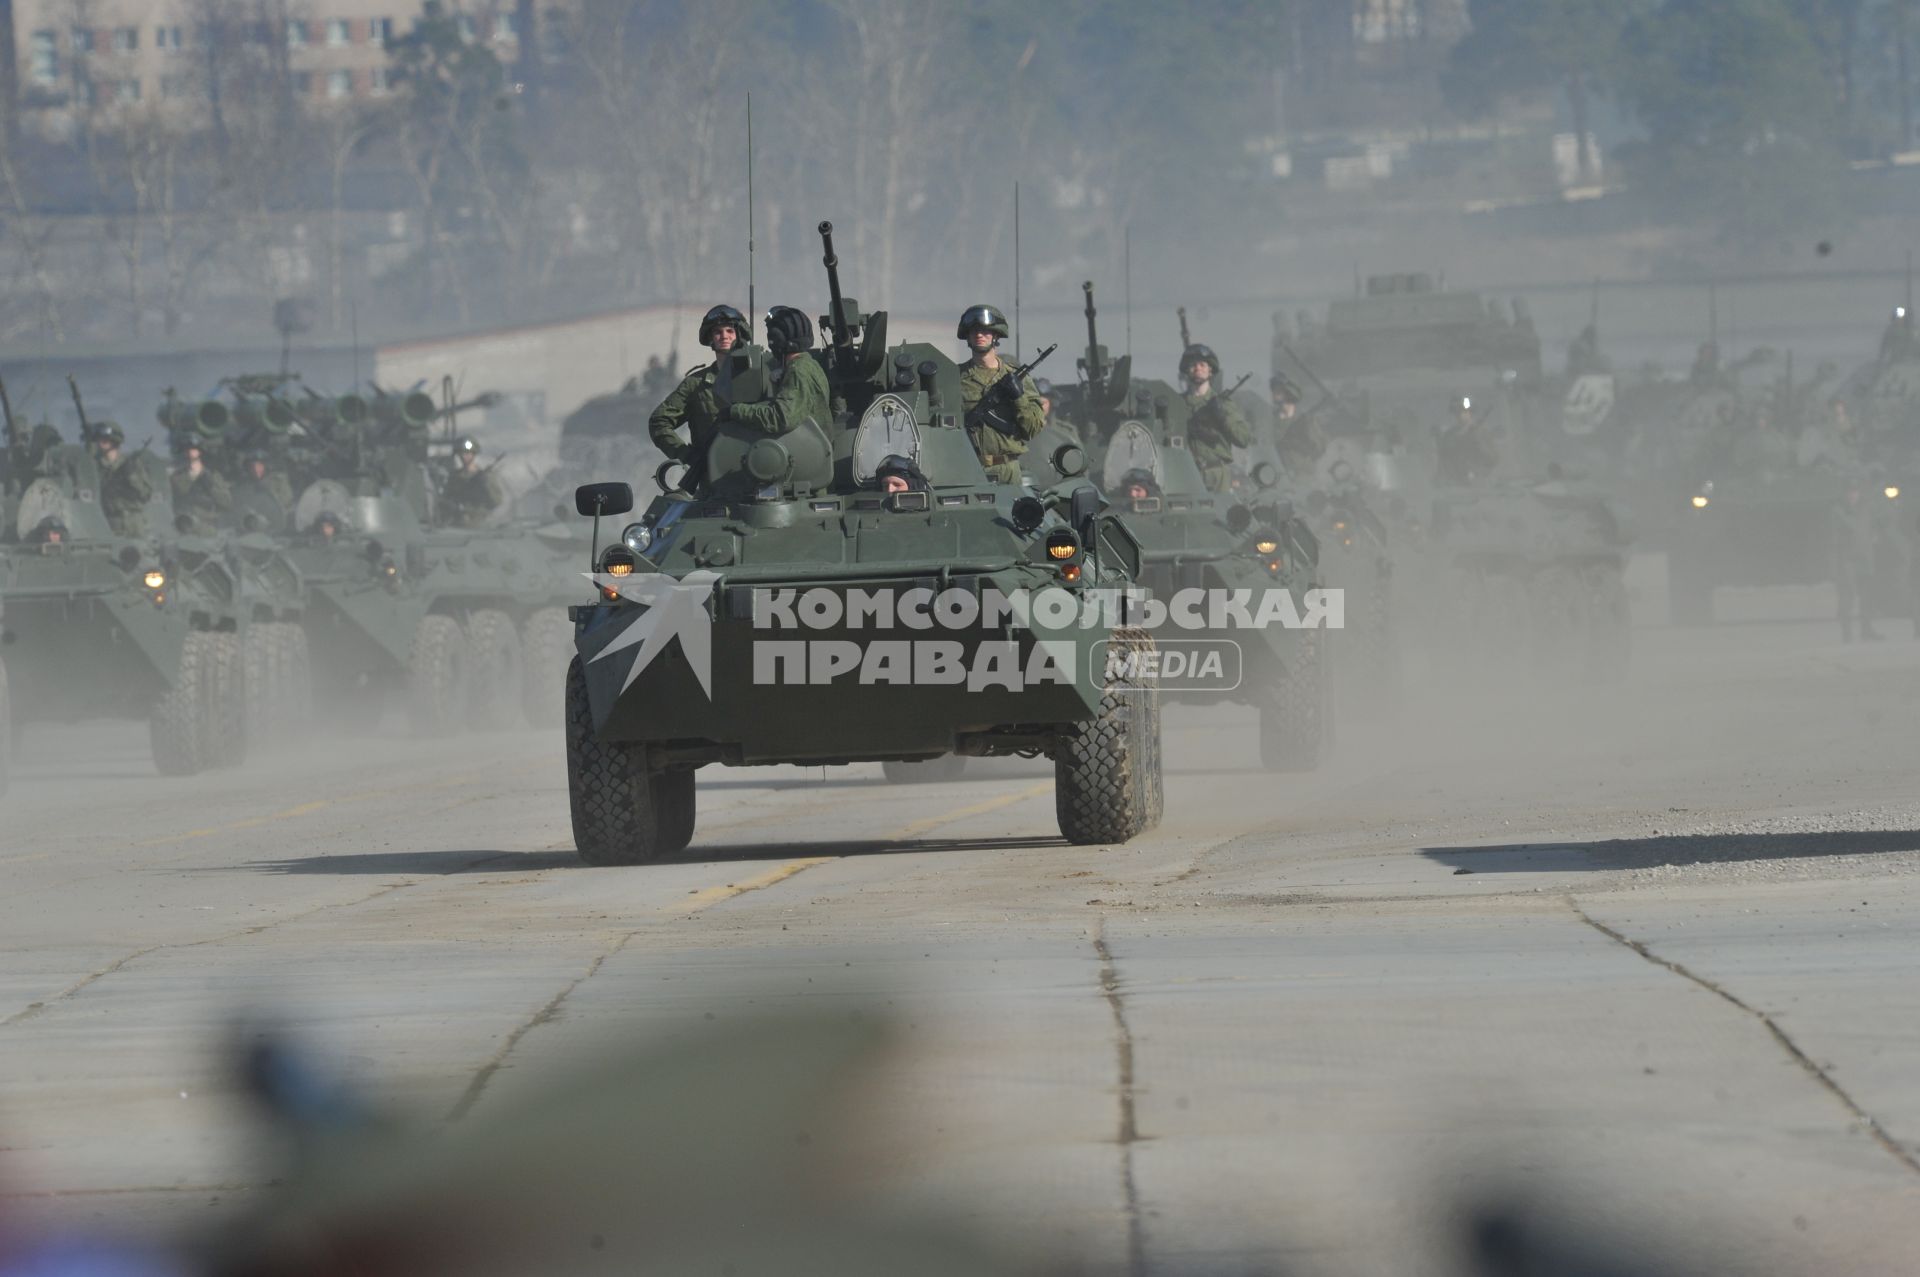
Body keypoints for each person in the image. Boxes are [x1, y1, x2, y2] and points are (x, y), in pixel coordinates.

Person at [650, 304, 749, 483]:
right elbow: (659, 421)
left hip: (757, 472)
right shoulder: (695, 384)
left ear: (739, 335)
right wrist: (687, 455)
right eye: (718, 332)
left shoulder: (759, 377)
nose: (724, 336)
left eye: (730, 331)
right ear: (710, 338)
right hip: (714, 480)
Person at [955, 304, 1045, 485]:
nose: (979, 335)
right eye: (973, 331)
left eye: (985, 331)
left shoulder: (1017, 378)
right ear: (967, 337)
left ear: (996, 335)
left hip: (1008, 471)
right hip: (969, 470)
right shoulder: (955, 377)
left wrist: (1018, 397)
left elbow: (1032, 428)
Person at [728, 306, 830, 438]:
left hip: (806, 452)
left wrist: (735, 411)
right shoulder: (810, 364)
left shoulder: (798, 371)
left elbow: (780, 418)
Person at [1179, 343, 1252, 492]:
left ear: (1210, 371)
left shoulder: (1222, 404)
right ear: (1187, 370)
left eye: (1202, 365)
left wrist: (1222, 417)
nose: (1198, 368)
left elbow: (1244, 438)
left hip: (1217, 474)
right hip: (1184, 474)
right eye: (1193, 365)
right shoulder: (1177, 403)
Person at [90, 422, 154, 538]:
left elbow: (145, 494)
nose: (102, 441)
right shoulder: (94, 466)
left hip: (134, 522)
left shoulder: (132, 464)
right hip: (109, 522)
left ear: (115, 440)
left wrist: (131, 476)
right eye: (100, 438)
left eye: (106, 439)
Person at [439, 437, 505, 528]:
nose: (464, 456)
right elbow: (444, 501)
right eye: (461, 453)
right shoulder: (454, 477)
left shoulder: (485, 477)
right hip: (457, 523)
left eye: (467, 453)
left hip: (480, 523)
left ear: (474, 454)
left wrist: (486, 484)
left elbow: (497, 501)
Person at [171, 437, 232, 534]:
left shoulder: (213, 475)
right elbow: (179, 490)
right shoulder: (178, 476)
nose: (193, 455)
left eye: (196, 451)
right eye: (190, 452)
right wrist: (193, 475)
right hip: (186, 527)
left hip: (210, 528)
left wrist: (211, 485)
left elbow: (226, 502)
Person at [1436, 394, 1498, 486]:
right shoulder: (1449, 436)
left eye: (1466, 412)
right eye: (1459, 412)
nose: (1463, 415)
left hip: (1483, 484)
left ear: (1471, 413)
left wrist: (1477, 441)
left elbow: (1493, 460)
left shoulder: (1483, 433)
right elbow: (1443, 460)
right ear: (1455, 414)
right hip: (1455, 485)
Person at [235, 450, 295, 524]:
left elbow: (287, 505)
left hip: (278, 525)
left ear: (266, 466)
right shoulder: (244, 486)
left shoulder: (278, 481)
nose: (255, 469)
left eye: (259, 466)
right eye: (251, 466)